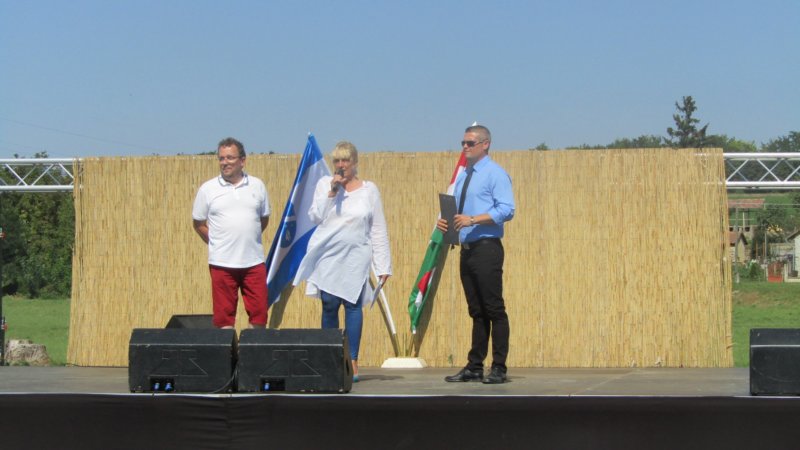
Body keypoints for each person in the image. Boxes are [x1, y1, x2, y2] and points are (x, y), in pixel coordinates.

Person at [293, 141, 392, 381]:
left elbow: (378, 227)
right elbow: (315, 216)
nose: (341, 165)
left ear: (354, 162)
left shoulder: (369, 190)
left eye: (345, 160)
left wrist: (383, 265)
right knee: (329, 304)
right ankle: (330, 358)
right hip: (328, 255)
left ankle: (352, 360)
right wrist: (331, 192)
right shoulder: (324, 185)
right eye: (337, 160)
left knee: (353, 304)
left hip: (356, 256)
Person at [437, 124, 515, 384]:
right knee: (476, 310)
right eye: (463, 143)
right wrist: (446, 222)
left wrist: (473, 219)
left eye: (470, 143)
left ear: (485, 144)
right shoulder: (464, 175)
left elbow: (507, 209)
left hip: (486, 247)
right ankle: (475, 366)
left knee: (494, 308)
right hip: (467, 249)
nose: (465, 147)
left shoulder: (495, 174)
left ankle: (499, 367)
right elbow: (458, 212)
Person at [192, 137, 271, 329]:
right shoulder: (208, 189)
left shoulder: (257, 186)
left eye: (230, 158)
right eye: (221, 158)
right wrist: (217, 241)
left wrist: (246, 237)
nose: (225, 162)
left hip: (253, 262)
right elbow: (198, 223)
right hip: (222, 263)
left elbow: (263, 219)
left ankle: (254, 348)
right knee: (224, 319)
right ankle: (228, 349)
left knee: (259, 316)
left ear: (242, 161)